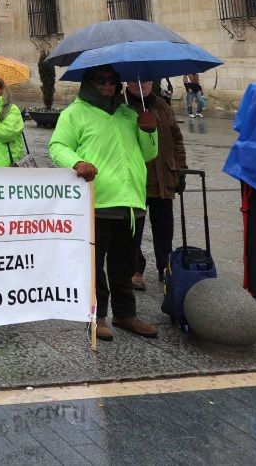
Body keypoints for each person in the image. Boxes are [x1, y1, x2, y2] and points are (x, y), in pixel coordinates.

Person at [49, 66, 159, 341]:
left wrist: (149, 131)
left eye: (112, 81)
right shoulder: (74, 114)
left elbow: (148, 154)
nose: (108, 85)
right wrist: (77, 162)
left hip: (131, 202)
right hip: (96, 201)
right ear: (89, 83)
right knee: (94, 266)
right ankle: (96, 316)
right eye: (101, 80)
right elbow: (57, 146)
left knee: (125, 263)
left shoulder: (128, 113)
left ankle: (125, 313)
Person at [124, 81, 185, 293]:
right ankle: (135, 268)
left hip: (163, 178)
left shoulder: (163, 106)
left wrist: (181, 169)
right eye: (134, 82)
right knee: (134, 229)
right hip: (138, 178)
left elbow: (177, 138)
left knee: (164, 227)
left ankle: (165, 266)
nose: (141, 86)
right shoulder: (122, 108)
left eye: (145, 82)